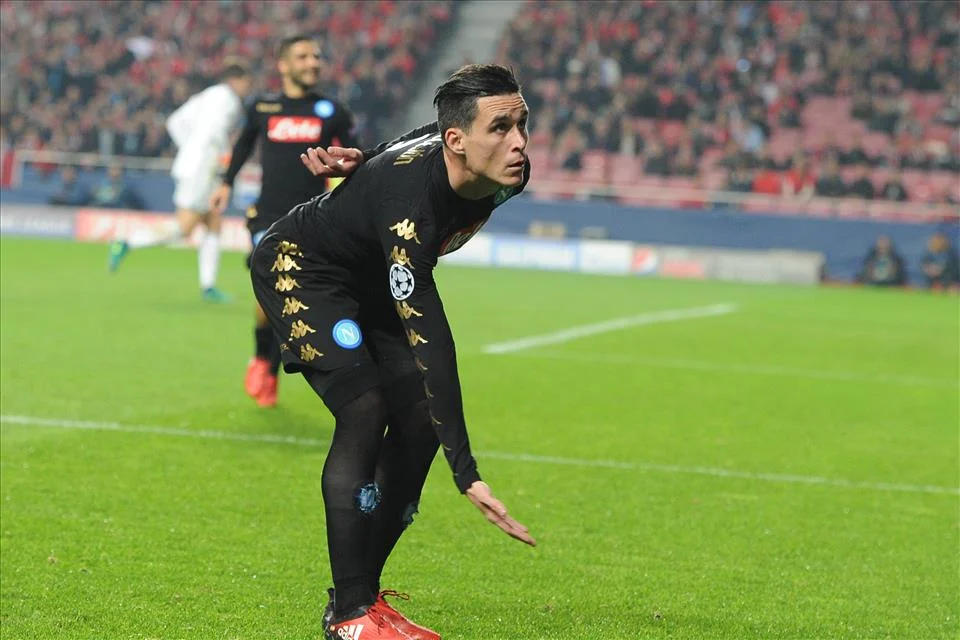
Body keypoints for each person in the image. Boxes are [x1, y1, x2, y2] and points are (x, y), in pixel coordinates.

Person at [249, 64, 536, 640]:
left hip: (372, 274)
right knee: (365, 407)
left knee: (419, 418)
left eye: (521, 123)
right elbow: (436, 347)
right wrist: (467, 474)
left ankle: (360, 599)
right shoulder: (413, 210)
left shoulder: (509, 172)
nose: (519, 143)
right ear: (458, 141)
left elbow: (417, 137)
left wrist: (365, 159)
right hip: (304, 269)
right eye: (501, 128)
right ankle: (351, 618)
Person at [209, 35, 360, 409]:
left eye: (317, 56)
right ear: (283, 64)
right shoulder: (263, 106)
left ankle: (270, 367)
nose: (313, 62)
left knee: (293, 299)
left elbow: (356, 160)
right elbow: (243, 146)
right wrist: (225, 184)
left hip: (315, 219)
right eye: (303, 56)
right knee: (273, 289)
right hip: (269, 216)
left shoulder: (333, 110)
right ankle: (262, 360)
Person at [107, 60, 253, 302]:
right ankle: (127, 242)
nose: (248, 88)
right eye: (246, 82)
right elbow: (215, 133)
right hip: (204, 169)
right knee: (184, 228)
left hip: (194, 164)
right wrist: (218, 156)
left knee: (213, 220)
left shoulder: (207, 95)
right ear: (235, 80)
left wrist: (189, 148)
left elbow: (175, 121)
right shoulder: (228, 100)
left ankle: (208, 286)